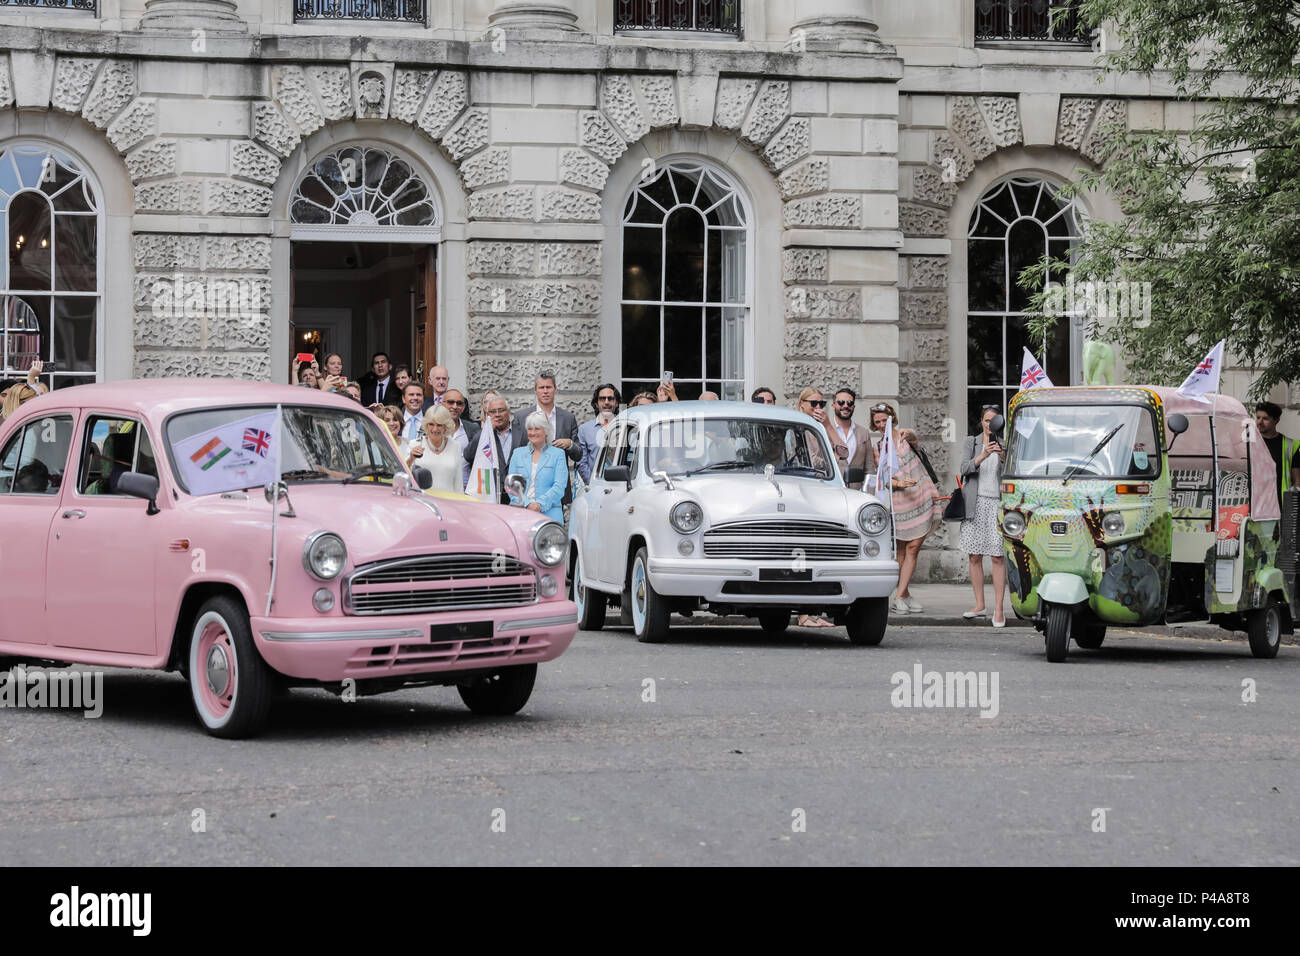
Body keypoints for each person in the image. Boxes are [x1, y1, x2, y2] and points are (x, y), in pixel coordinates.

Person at [870, 402, 942, 614]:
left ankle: (900, 595)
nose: (882, 424)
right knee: (901, 550)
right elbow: (883, 479)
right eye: (878, 422)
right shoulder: (878, 448)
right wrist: (899, 483)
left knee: (914, 547)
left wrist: (910, 435)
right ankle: (904, 593)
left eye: (885, 420)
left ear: (892, 417)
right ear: (874, 426)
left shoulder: (904, 436)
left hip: (922, 495)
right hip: (901, 502)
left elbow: (915, 441)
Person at [958, 404, 1008, 627]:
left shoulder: (1006, 443)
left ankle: (999, 609)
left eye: (994, 420)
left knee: (997, 557)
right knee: (974, 556)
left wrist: (1003, 455)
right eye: (987, 420)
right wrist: (983, 455)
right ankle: (980, 605)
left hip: (997, 504)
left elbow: (1012, 473)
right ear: (981, 422)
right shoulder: (972, 442)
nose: (990, 424)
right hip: (975, 503)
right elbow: (964, 468)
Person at [513, 370, 582, 510]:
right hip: (526, 494)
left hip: (557, 494)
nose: (545, 391)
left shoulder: (568, 418)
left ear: (555, 389)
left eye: (549, 387)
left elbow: (579, 455)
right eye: (541, 387)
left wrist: (570, 444)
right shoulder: (521, 417)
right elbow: (517, 452)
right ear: (535, 390)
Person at [506, 411, 569, 524]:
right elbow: (511, 486)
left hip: (550, 514)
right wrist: (527, 504)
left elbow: (559, 487)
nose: (533, 433)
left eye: (537, 429)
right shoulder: (517, 453)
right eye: (530, 429)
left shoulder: (558, 454)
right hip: (521, 513)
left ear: (546, 431)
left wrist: (540, 504)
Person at [466, 394, 525, 503]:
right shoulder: (484, 436)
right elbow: (468, 455)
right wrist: (486, 431)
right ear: (487, 414)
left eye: (501, 410)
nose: (497, 415)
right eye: (493, 412)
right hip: (492, 494)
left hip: (518, 495)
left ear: (508, 411)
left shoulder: (522, 432)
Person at [408, 406, 463, 493]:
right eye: (431, 424)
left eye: (439, 425)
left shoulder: (455, 446)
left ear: (446, 426)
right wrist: (411, 458)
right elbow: (405, 475)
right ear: (426, 425)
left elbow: (458, 482)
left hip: (449, 501)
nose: (435, 429)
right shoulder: (415, 444)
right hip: (424, 502)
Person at [1255, 401, 1299, 508]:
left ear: (1276, 421)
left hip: (1281, 506)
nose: (1260, 422)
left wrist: (1290, 507)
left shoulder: (1290, 445)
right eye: (1258, 417)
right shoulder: (1249, 443)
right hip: (1255, 505)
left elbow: (1297, 481)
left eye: (1265, 418)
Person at [828, 387, 871, 490]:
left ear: (854, 407)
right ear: (833, 405)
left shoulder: (864, 433)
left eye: (849, 403)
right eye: (841, 402)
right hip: (830, 491)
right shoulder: (825, 430)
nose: (845, 406)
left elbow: (869, 469)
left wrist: (869, 495)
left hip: (856, 495)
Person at [578, 383, 621, 484]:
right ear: (596, 404)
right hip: (594, 486)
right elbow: (581, 462)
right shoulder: (584, 430)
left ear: (616, 403)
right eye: (602, 399)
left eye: (610, 398)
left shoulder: (625, 428)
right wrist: (592, 484)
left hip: (620, 486)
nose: (606, 402)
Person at [442, 388, 479, 488]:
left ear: (463, 407)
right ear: (442, 404)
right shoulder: (433, 428)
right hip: (440, 489)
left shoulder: (472, 428)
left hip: (466, 488)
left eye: (459, 403)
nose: (455, 406)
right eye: (450, 402)